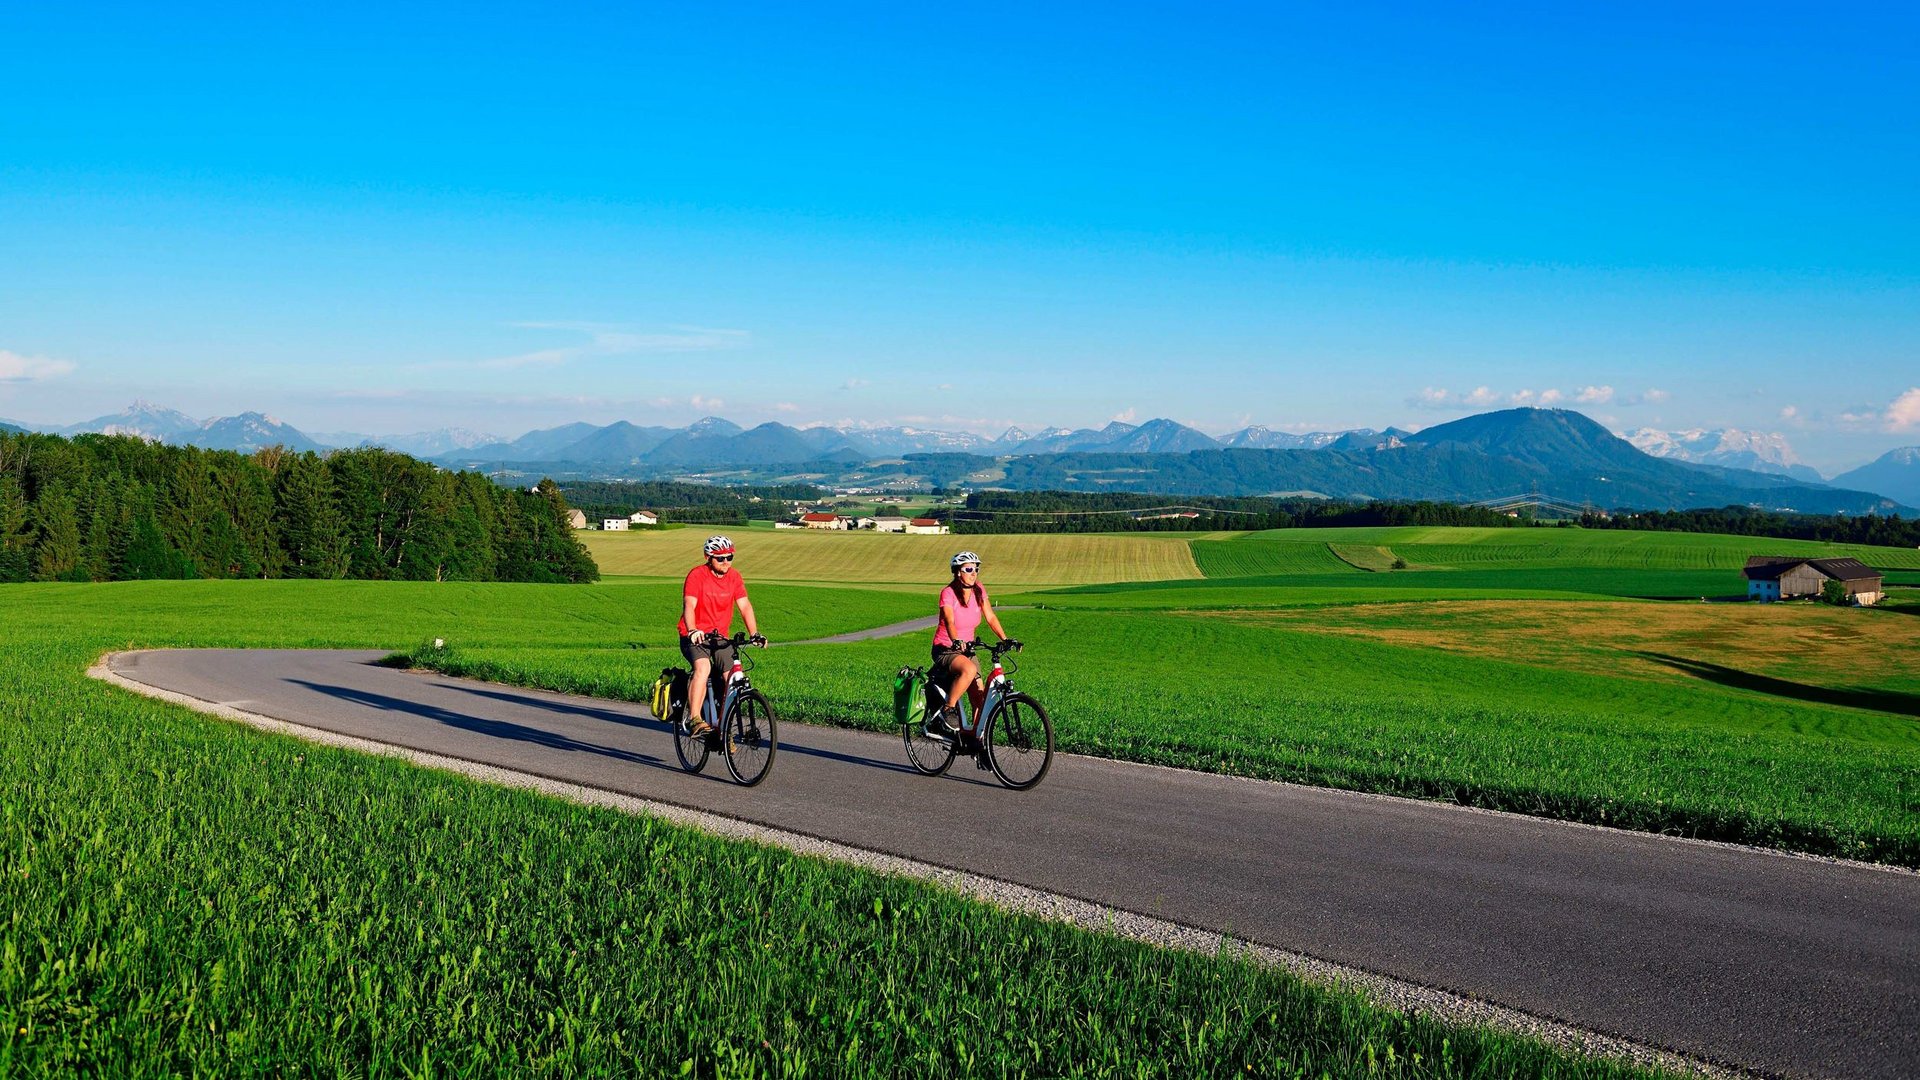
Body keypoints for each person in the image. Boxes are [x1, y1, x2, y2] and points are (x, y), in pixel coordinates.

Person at [678, 535, 765, 737]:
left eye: (729, 557)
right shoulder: (697, 575)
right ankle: (695, 719)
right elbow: (689, 605)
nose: (726, 561)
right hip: (694, 635)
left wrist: (755, 634)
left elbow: (744, 606)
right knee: (704, 667)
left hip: (720, 638)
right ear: (708, 558)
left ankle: (723, 730)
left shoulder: (734, 577)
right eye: (720, 558)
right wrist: (692, 630)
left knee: (733, 678)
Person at [930, 550, 1015, 736]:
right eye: (969, 569)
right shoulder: (948, 593)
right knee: (969, 670)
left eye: (976, 569)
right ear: (957, 572)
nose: (974, 572)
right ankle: (947, 709)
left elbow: (990, 617)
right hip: (946, 648)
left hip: (967, 649)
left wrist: (1005, 638)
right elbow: (950, 621)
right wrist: (956, 640)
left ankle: (976, 739)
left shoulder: (979, 590)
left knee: (979, 698)